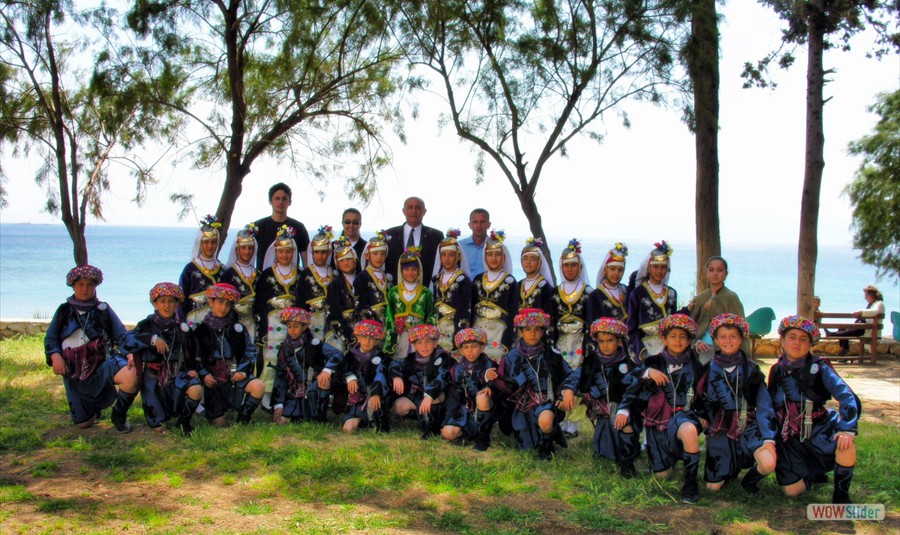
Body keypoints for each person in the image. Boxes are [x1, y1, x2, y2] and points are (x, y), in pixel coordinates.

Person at [768, 316, 860, 504]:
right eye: (792, 337)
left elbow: (847, 396)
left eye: (803, 339)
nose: (797, 343)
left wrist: (846, 429)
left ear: (810, 344)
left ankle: (841, 495)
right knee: (792, 492)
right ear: (782, 341)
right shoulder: (776, 370)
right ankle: (812, 474)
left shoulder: (820, 368)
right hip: (789, 439)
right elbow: (770, 403)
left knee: (845, 444)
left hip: (819, 430)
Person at [617, 313, 704, 503]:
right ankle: (665, 459)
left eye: (683, 337)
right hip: (656, 423)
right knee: (661, 476)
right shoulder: (652, 362)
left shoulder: (696, 365)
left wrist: (704, 414)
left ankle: (690, 484)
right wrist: (647, 372)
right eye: (673, 336)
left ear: (689, 340)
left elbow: (704, 393)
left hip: (683, 416)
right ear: (663, 339)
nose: (678, 341)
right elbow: (628, 379)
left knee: (689, 430)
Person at [45, 265, 140, 432]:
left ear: (96, 286)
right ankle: (91, 409)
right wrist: (55, 356)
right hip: (74, 371)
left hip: (101, 364)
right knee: (83, 424)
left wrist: (130, 354)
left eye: (90, 285)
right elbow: (51, 338)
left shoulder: (103, 309)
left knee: (132, 373)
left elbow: (121, 334)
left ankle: (118, 415)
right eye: (80, 284)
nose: (85, 289)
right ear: (73, 286)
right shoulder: (64, 310)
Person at [696, 313, 776, 496]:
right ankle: (728, 468)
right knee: (712, 488)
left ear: (741, 338)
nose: (728, 341)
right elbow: (701, 398)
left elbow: (764, 404)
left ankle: (750, 480)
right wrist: (702, 417)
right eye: (723, 337)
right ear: (716, 340)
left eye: (733, 336)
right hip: (720, 426)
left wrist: (768, 438)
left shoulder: (752, 369)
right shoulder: (708, 368)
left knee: (768, 462)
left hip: (747, 423)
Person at [498, 308, 577, 460]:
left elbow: (569, 375)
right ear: (520, 332)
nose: (532, 334)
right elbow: (503, 383)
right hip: (522, 406)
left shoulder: (551, 354)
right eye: (528, 329)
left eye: (537, 329)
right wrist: (491, 380)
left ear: (542, 332)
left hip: (545, 401)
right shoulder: (511, 356)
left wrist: (567, 391)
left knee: (546, 421)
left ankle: (546, 446)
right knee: (525, 447)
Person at [128, 283, 202, 435]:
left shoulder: (183, 328)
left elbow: (193, 351)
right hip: (153, 378)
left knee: (196, 389)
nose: (167, 306)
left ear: (177, 304)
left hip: (176, 374)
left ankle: (183, 421)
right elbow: (127, 339)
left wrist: (192, 369)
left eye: (171, 301)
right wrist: (152, 339)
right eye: (162, 301)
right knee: (159, 426)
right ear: (155, 304)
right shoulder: (146, 324)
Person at [193, 283, 264, 426]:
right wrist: (204, 374)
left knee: (258, 386)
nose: (223, 308)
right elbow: (195, 357)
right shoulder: (201, 330)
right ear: (211, 302)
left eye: (228, 304)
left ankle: (243, 417)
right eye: (220, 302)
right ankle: (216, 412)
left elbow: (249, 351)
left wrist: (242, 370)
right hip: (213, 381)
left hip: (234, 378)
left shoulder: (238, 329)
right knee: (219, 423)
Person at [580, 318, 640, 477]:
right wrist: (567, 391)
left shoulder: (628, 363)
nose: (605, 345)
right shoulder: (592, 361)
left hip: (624, 408)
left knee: (624, 424)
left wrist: (624, 409)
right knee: (606, 450)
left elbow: (635, 388)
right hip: (602, 409)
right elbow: (578, 378)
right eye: (601, 341)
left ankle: (627, 464)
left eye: (610, 341)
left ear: (619, 341)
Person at [549, 239, 593, 437]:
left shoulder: (588, 293)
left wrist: (589, 346)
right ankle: (562, 419)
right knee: (561, 377)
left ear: (580, 267)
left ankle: (573, 425)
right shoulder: (554, 292)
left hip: (579, 343)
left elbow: (591, 321)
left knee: (577, 378)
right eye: (566, 265)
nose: (570, 268)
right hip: (561, 343)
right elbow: (552, 320)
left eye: (574, 265)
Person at [256, 225, 301, 408]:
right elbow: (260, 302)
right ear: (276, 252)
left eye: (288, 251)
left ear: (293, 252)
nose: (284, 255)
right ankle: (267, 397)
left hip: (294, 325)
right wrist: (262, 327)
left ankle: (291, 394)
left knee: (292, 358)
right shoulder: (267, 275)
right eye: (281, 251)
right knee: (272, 358)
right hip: (272, 325)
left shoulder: (300, 274)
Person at [317, 319, 390, 432]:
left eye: (372, 338)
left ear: (377, 341)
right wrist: (350, 378)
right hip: (352, 400)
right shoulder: (350, 355)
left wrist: (376, 393)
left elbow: (380, 375)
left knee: (374, 421)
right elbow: (342, 370)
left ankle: (372, 420)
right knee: (348, 428)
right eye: (364, 337)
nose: (367, 341)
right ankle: (321, 415)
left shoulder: (382, 358)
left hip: (371, 396)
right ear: (358, 338)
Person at [271, 307, 339, 423]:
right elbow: (280, 376)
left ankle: (319, 415)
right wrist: (279, 404)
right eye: (289, 326)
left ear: (304, 327)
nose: (292, 330)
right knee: (282, 420)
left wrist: (327, 370)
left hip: (315, 388)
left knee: (323, 381)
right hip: (295, 391)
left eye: (296, 326)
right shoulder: (284, 349)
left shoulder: (314, 344)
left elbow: (337, 354)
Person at [388, 324, 454, 439]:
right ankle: (421, 416)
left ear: (435, 343)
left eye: (428, 342)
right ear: (414, 345)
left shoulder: (444, 358)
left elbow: (442, 378)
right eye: (419, 342)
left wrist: (429, 395)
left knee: (434, 398)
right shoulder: (411, 358)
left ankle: (433, 427)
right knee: (399, 406)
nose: (424, 346)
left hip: (438, 396)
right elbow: (395, 364)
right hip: (418, 395)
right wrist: (396, 376)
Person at [442, 327, 499, 450]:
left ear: (482, 348)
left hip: (484, 407)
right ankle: (469, 433)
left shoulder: (490, 365)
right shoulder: (456, 369)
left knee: (482, 397)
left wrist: (489, 385)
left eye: (474, 346)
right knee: (448, 433)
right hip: (464, 410)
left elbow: (496, 382)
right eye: (466, 347)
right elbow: (452, 396)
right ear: (461, 350)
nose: (470, 350)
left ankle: (483, 438)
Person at [686, 256, 748, 362]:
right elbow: (691, 326)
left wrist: (714, 308)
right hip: (703, 349)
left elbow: (741, 327)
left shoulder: (731, 297)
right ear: (706, 273)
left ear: (726, 274)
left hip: (727, 348)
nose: (715, 273)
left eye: (719, 270)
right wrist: (696, 342)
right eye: (711, 270)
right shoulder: (700, 298)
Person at [471, 230, 519, 362]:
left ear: (504, 257)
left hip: (499, 337)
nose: (493, 258)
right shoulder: (477, 280)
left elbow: (513, 313)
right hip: (477, 335)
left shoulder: (510, 282)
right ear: (485, 256)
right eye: (490, 254)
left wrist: (507, 341)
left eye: (497, 254)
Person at [626, 241, 678, 361]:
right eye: (655, 267)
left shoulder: (672, 293)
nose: (659, 271)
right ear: (648, 268)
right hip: (646, 351)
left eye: (663, 267)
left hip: (669, 350)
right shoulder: (638, 293)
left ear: (667, 269)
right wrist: (641, 352)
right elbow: (631, 327)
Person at [384, 247, 435, 359]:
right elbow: (389, 318)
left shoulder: (426, 292)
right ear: (401, 271)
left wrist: (427, 339)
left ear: (419, 270)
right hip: (400, 339)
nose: (410, 273)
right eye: (406, 269)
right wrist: (391, 340)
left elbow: (430, 317)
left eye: (414, 269)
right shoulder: (393, 292)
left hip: (420, 340)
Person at [431, 228, 473, 353]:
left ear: (458, 256)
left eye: (451, 255)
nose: (447, 258)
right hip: (438, 332)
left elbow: (464, 311)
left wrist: (459, 336)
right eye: (443, 255)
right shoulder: (437, 279)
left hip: (455, 331)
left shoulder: (463, 281)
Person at [178, 215, 224, 327]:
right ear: (200, 243)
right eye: (206, 242)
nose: (210, 246)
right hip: (194, 324)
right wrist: (182, 325)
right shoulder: (190, 269)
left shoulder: (222, 269)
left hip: (218, 323)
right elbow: (181, 300)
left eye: (213, 242)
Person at [253, 183, 310, 270]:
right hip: (263, 276)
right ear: (270, 201)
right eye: (277, 198)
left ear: (289, 202)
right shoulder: (258, 227)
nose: (280, 202)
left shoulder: (299, 228)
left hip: (292, 277)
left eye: (284, 199)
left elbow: (306, 261)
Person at [385, 197, 444, 281]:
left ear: (424, 212)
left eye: (418, 208)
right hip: (395, 286)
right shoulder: (390, 235)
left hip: (426, 287)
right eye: (410, 207)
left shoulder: (436, 236)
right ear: (403, 211)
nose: (414, 211)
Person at [221, 223, 260, 346]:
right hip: (233, 325)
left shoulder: (258, 275)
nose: (247, 252)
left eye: (250, 248)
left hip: (254, 326)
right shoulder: (228, 274)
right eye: (243, 248)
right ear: (237, 250)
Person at [297, 225, 336, 342]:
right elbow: (300, 302)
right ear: (312, 253)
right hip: (311, 326)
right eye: (316, 252)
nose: (319, 256)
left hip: (332, 325)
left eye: (323, 252)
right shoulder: (305, 275)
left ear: (329, 252)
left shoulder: (335, 274)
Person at [325, 236, 360, 353]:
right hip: (343, 330)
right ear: (337, 264)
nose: (346, 263)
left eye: (349, 259)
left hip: (363, 329)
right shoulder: (334, 285)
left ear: (355, 260)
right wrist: (350, 333)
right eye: (341, 260)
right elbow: (334, 315)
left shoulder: (363, 280)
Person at [832, 285, 886, 355]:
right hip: (865, 328)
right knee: (842, 328)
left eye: (866, 295)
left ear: (871, 295)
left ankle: (833, 335)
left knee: (847, 331)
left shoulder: (879, 303)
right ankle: (844, 348)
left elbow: (875, 311)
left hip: (869, 330)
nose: (865, 298)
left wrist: (861, 312)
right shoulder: (872, 304)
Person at [355, 230, 393, 324]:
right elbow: (361, 306)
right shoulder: (362, 278)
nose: (379, 257)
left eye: (382, 254)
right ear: (367, 256)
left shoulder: (389, 277)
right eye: (375, 253)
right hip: (371, 327)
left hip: (390, 326)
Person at [588, 242, 630, 325]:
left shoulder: (626, 291)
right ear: (605, 270)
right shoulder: (595, 296)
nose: (616, 273)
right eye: (612, 269)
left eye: (620, 270)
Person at [517, 237, 554, 317]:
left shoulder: (545, 287)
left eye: (533, 259)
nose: (528, 262)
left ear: (539, 262)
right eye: (525, 259)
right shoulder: (518, 285)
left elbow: (549, 315)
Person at [459, 208, 491, 278]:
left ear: (489, 225)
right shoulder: (460, 247)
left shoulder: (496, 247)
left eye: (482, 222)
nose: (479, 225)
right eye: (475, 222)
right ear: (469, 225)